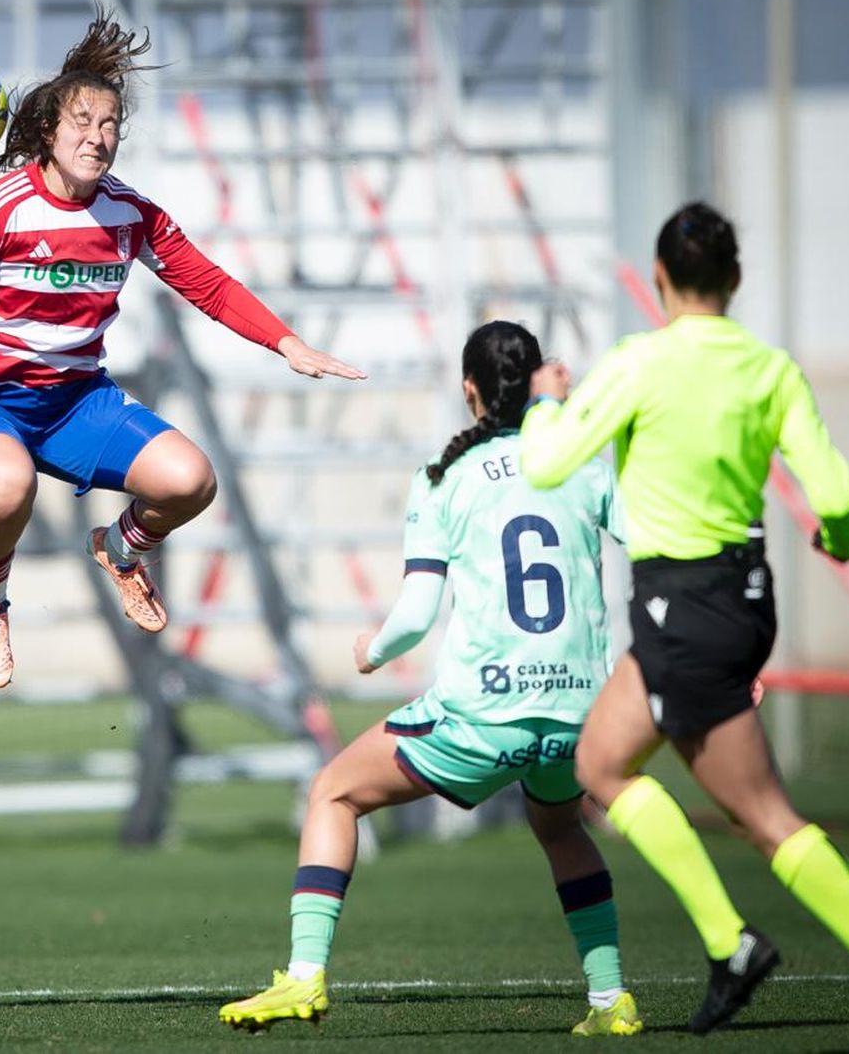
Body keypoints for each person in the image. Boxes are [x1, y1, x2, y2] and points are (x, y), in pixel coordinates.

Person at [0, 6, 364, 689]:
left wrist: (287, 343)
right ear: (48, 129)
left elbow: (208, 284)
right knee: (7, 487)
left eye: (110, 126)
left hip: (76, 403)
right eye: (83, 122)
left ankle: (122, 550)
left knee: (191, 479)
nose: (99, 138)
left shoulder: (131, 214)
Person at [220, 322, 642, 1036]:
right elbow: (659, 543)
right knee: (560, 825)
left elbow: (415, 618)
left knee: (333, 793)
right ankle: (611, 1001)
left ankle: (303, 978)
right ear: (539, 383)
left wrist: (370, 650)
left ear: (469, 390)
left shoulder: (445, 476)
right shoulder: (586, 465)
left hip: (486, 711)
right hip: (580, 712)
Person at [520, 201, 849, 1034]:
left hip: (685, 609)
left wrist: (544, 401)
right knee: (600, 762)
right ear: (736, 280)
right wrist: (838, 535)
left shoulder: (641, 362)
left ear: (662, 277)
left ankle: (733, 940)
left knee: (765, 819)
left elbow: (546, 464)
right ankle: (727, 940)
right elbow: (840, 500)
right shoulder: (770, 368)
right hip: (737, 601)